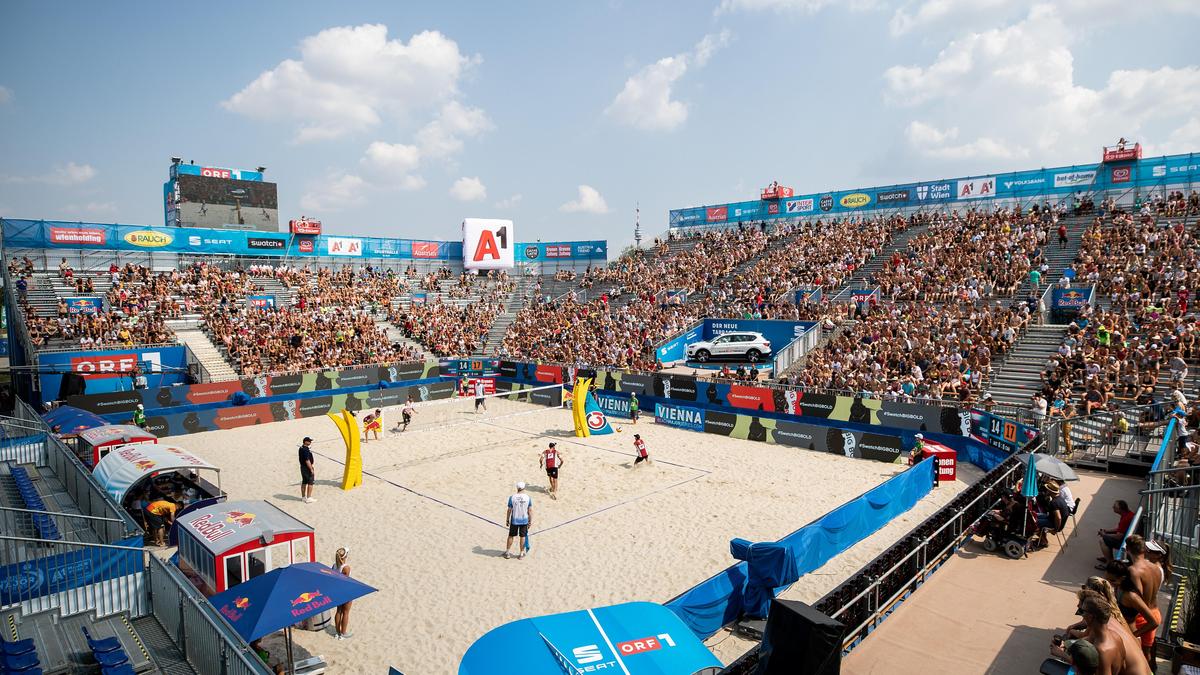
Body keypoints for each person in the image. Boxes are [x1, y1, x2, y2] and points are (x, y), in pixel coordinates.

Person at [1125, 535, 1163, 665]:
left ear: (1127, 549)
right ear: (1144, 550)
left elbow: (1137, 597)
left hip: (1142, 617)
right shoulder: (1156, 568)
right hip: (1155, 612)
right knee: (1146, 654)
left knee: (1132, 653)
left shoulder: (1133, 570)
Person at [1097, 500, 1133, 566]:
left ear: (1120, 509)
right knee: (1106, 537)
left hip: (1124, 543)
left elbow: (1118, 536)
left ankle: (1110, 563)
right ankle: (1107, 557)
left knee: (1102, 540)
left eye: (1115, 507)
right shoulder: (1127, 514)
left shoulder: (1125, 519)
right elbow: (1119, 529)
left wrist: (1104, 535)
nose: (1113, 507)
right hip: (1126, 537)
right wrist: (1106, 531)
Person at [504, 482, 532, 560]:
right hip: (524, 520)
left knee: (511, 536)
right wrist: (530, 521)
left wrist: (507, 519)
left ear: (517, 488)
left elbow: (509, 510)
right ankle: (521, 553)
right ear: (524, 488)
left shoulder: (512, 497)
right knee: (522, 537)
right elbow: (530, 510)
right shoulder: (528, 497)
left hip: (514, 520)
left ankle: (507, 552)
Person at [332, 547, 353, 640]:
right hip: (346, 591)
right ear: (346, 556)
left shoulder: (334, 566)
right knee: (346, 612)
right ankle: (343, 633)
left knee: (338, 611)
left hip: (337, 590)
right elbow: (346, 581)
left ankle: (337, 632)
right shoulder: (346, 568)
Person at [298, 437, 316, 503]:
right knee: (310, 482)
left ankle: (303, 497)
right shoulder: (305, 450)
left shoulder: (301, 448)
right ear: (305, 442)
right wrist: (311, 469)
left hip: (302, 467)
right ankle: (309, 498)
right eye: (309, 441)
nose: (310, 442)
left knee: (304, 482)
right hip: (307, 467)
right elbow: (307, 460)